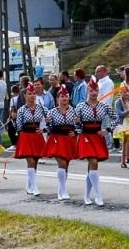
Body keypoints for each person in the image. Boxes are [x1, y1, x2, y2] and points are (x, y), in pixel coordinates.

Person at [73, 77, 112, 207]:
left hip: (98, 136)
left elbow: (116, 118)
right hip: (85, 136)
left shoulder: (104, 106)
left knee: (92, 166)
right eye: (91, 90)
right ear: (87, 91)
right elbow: (75, 123)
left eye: (96, 90)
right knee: (93, 162)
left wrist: (107, 130)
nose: (94, 93)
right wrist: (78, 125)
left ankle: (86, 195)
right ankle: (98, 195)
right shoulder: (80, 106)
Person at [43, 86, 79, 201]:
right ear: (57, 98)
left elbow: (79, 125)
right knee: (62, 164)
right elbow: (48, 128)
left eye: (66, 96)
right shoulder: (52, 112)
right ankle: (63, 190)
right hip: (57, 139)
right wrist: (47, 124)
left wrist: (76, 132)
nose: (64, 98)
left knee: (66, 165)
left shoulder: (74, 111)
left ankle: (61, 188)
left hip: (69, 139)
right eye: (62, 96)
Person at [12, 83, 48, 197]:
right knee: (31, 162)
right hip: (26, 137)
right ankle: (35, 187)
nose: (32, 96)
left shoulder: (42, 108)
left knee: (35, 162)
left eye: (33, 94)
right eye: (29, 94)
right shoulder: (22, 110)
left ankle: (29, 185)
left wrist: (44, 130)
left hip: (37, 136)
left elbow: (51, 120)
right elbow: (18, 126)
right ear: (25, 95)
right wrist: (16, 123)